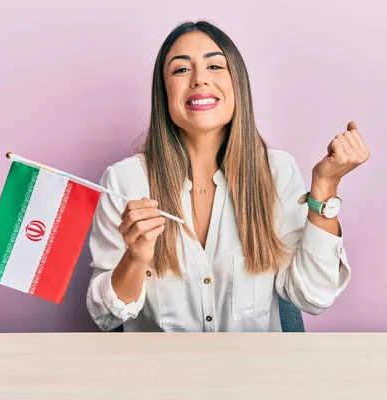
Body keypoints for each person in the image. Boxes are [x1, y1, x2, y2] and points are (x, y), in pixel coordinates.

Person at [86, 20, 370, 332]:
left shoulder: (276, 171)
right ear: (164, 94)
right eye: (181, 70)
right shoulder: (125, 181)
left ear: (237, 83)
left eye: (215, 66)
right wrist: (136, 259)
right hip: (161, 376)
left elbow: (314, 296)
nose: (199, 80)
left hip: (255, 376)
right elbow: (105, 316)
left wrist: (326, 187)